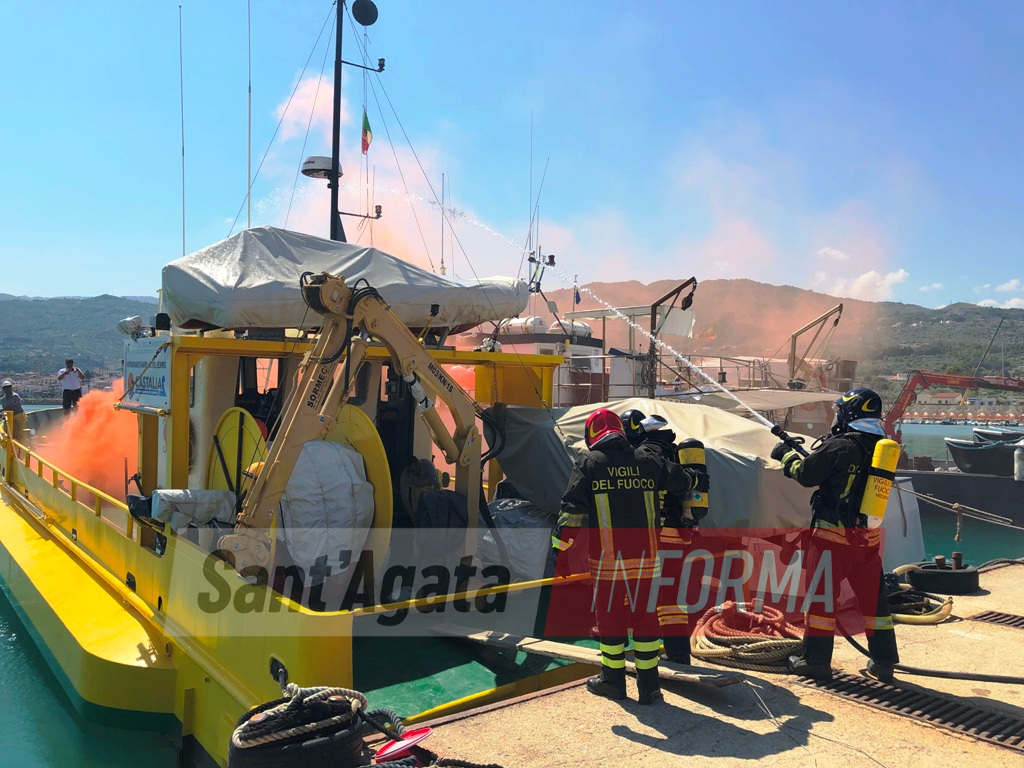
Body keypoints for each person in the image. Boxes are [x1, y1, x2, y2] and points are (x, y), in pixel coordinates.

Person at [554, 408, 709, 704]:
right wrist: (696, 479)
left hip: (608, 564)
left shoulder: (590, 463)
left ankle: (612, 682)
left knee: (611, 624)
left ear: (592, 435)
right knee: (646, 622)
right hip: (647, 562)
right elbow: (681, 480)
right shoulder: (647, 460)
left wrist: (560, 555)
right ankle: (649, 688)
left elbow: (571, 513)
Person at [771, 388, 899, 683]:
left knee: (820, 602)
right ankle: (884, 662)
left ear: (849, 413)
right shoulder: (881, 448)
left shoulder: (840, 445)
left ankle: (815, 662)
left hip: (832, 539)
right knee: (874, 603)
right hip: (867, 540)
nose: (837, 416)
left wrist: (785, 454)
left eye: (840, 411)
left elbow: (805, 474)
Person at [634, 414, 704, 665]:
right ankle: (678, 654)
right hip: (679, 536)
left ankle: (649, 654)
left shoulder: (647, 453)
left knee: (644, 596)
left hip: (658, 538)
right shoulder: (677, 453)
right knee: (672, 600)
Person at [398, 456, 441, 524]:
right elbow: (404, 498)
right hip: (417, 487)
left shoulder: (428, 466)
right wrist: (412, 516)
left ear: (417, 464)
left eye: (413, 471)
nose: (412, 474)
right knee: (417, 509)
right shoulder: (405, 475)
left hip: (432, 485)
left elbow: (436, 485)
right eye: (409, 472)